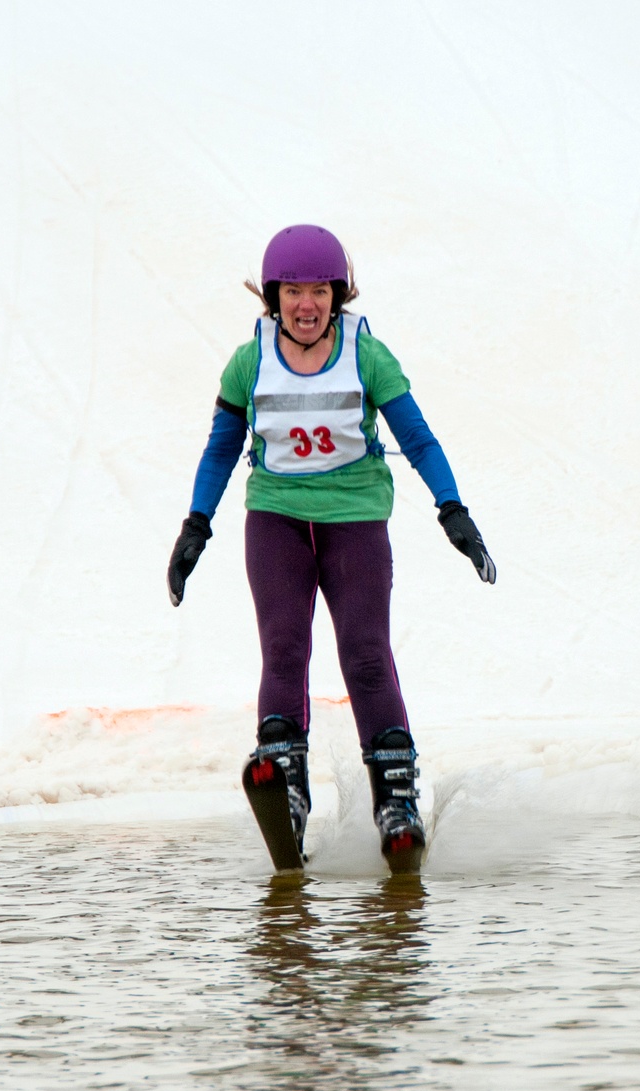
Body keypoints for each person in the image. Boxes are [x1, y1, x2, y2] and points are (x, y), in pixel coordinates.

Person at [167, 225, 495, 871]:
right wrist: (195, 526)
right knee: (284, 648)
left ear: (338, 294)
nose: (307, 304)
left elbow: (419, 440)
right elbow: (220, 449)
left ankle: (395, 797)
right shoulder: (247, 362)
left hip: (355, 518)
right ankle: (287, 784)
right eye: (294, 291)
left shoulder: (368, 356)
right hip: (276, 517)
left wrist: (452, 510)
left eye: (319, 290)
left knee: (366, 654)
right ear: (273, 297)